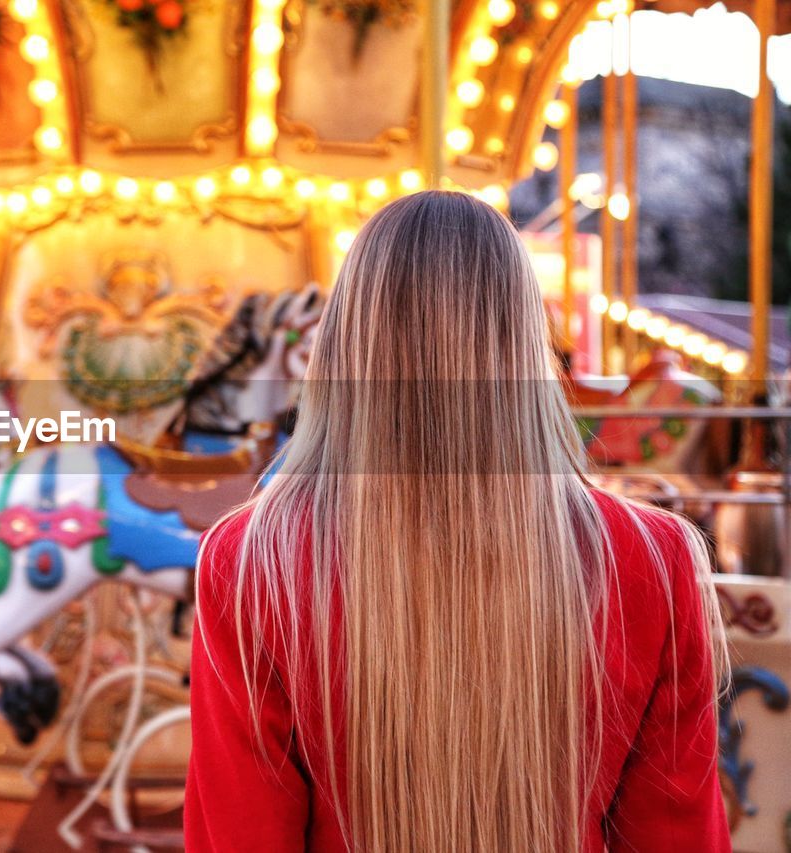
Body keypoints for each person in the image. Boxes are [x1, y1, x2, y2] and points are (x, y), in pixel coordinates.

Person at [184, 191, 729, 852]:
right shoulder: (653, 556)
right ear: (526, 340)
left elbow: (241, 833)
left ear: (348, 343)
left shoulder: (249, 561)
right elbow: (678, 833)